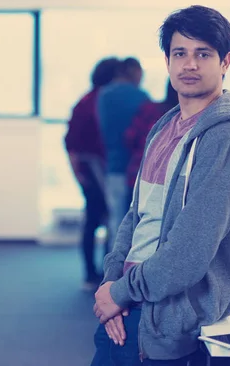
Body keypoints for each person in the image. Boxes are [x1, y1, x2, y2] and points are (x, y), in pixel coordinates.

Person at [91, 5, 230, 366]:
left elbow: (190, 250)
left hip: (169, 316)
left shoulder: (227, 137)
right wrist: (111, 286)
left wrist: (120, 294)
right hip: (130, 302)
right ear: (167, 61)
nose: (190, 65)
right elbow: (135, 217)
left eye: (203, 54)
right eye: (179, 53)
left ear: (225, 61)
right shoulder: (164, 127)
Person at [65, 57, 119, 290]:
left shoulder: (94, 100)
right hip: (93, 169)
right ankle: (91, 274)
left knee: (102, 219)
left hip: (98, 168)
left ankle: (97, 272)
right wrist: (79, 174)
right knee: (98, 218)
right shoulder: (93, 102)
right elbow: (72, 144)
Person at [97, 57, 150, 250]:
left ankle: (109, 271)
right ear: (134, 72)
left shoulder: (103, 95)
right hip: (135, 168)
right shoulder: (141, 97)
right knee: (131, 225)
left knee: (115, 221)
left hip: (112, 164)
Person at [124, 80, 179, 192]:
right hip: (169, 183)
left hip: (139, 173)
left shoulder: (150, 109)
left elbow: (130, 138)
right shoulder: (189, 118)